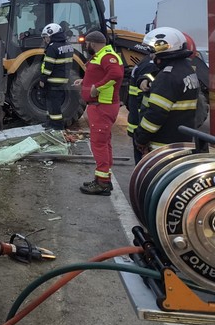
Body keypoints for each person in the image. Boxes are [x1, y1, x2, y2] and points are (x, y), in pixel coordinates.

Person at [133, 27, 199, 154]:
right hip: (182, 141)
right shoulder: (187, 69)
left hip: (163, 146)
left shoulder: (167, 77)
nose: (151, 56)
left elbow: (156, 114)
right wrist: (145, 79)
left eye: (152, 51)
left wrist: (141, 138)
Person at [75, 31, 124, 196]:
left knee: (99, 144)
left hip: (102, 106)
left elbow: (116, 74)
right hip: (98, 106)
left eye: (86, 43)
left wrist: (97, 87)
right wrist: (85, 82)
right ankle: (101, 178)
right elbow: (100, 74)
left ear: (92, 43)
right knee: (103, 142)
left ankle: (103, 184)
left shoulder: (107, 56)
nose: (85, 46)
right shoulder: (101, 55)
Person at [38, 23, 74, 129]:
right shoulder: (67, 46)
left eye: (46, 37)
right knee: (53, 104)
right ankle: (50, 122)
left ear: (51, 35)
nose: (45, 40)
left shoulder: (52, 48)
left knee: (53, 105)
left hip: (53, 80)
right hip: (62, 80)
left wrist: (42, 79)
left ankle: (57, 126)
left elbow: (48, 66)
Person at [126, 54, 156, 163]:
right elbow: (143, 100)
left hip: (136, 122)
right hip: (141, 124)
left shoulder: (144, 63)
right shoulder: (150, 66)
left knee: (140, 163)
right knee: (145, 163)